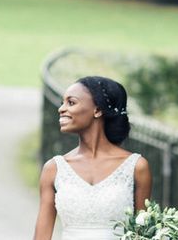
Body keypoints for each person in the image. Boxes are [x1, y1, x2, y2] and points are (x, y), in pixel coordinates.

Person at [32, 76, 152, 240]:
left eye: (71, 102)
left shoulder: (137, 167)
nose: (61, 109)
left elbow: (142, 233)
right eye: (62, 103)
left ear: (97, 110)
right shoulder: (53, 169)